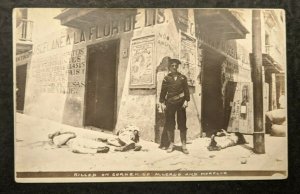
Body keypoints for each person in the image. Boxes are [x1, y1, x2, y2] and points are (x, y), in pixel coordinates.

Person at [159, 58, 190, 154]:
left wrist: (186, 101)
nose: (174, 67)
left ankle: (183, 145)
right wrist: (162, 103)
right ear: (170, 67)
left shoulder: (183, 78)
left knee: (182, 124)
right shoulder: (166, 78)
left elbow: (186, 91)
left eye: (176, 66)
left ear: (178, 67)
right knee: (170, 123)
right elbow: (163, 91)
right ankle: (171, 144)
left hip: (181, 103)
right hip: (170, 103)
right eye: (172, 65)